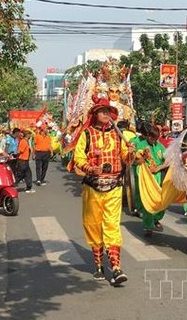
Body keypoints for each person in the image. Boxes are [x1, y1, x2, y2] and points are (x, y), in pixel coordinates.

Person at [72, 97, 135, 285]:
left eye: (108, 111)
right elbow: (78, 158)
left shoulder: (118, 134)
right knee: (93, 225)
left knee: (112, 226)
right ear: (95, 114)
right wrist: (90, 168)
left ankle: (116, 268)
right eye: (102, 111)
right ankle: (98, 264)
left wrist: (131, 152)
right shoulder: (87, 134)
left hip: (114, 187)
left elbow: (126, 157)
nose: (105, 114)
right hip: (92, 187)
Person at [131, 124, 167, 236]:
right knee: (148, 202)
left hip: (158, 177)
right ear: (147, 136)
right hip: (145, 178)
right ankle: (148, 226)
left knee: (162, 201)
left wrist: (158, 168)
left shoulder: (161, 146)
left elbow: (167, 162)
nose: (153, 141)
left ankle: (156, 219)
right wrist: (144, 158)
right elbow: (134, 162)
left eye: (155, 139)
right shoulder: (139, 144)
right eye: (151, 138)